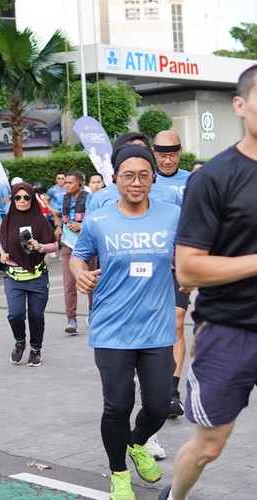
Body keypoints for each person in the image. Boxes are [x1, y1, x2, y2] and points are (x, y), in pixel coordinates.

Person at [158, 65, 257, 500]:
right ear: (240, 105)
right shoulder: (214, 177)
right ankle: (174, 496)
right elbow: (189, 270)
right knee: (209, 447)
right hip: (230, 329)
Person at [70, 145, 180, 500]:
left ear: (153, 178)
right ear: (115, 178)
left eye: (144, 175)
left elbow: (190, 253)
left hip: (157, 327)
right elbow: (78, 256)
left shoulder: (172, 215)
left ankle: (137, 442)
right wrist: (81, 273)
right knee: (118, 405)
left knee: (160, 405)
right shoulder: (99, 219)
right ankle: (119, 472)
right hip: (112, 327)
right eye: (128, 175)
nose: (136, 182)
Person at [153, 130, 192, 419]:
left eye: (173, 155)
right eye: (162, 155)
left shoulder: (192, 181)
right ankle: (152, 382)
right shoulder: (144, 180)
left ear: (180, 153)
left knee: (178, 323)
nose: (167, 161)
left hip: (180, 265)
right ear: (154, 154)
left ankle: (172, 393)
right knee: (154, 326)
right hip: (149, 264)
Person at [0, 182, 57, 367]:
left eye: (26, 197)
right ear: (13, 199)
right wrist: (3, 254)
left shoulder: (41, 220)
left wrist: (40, 246)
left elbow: (54, 245)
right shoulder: (7, 221)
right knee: (15, 314)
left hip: (37, 276)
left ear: (32, 199)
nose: (22, 201)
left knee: (36, 315)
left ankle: (36, 349)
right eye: (17, 197)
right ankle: (19, 341)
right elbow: (2, 241)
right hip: (14, 277)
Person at [54, 170, 92, 334]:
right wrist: (58, 227)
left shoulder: (90, 199)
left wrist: (81, 226)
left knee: (91, 280)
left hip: (88, 246)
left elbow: (96, 219)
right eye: (65, 182)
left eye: (70, 183)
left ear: (80, 184)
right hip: (67, 245)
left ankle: (93, 311)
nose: (66, 185)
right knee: (69, 283)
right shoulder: (62, 199)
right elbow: (57, 215)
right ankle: (71, 319)